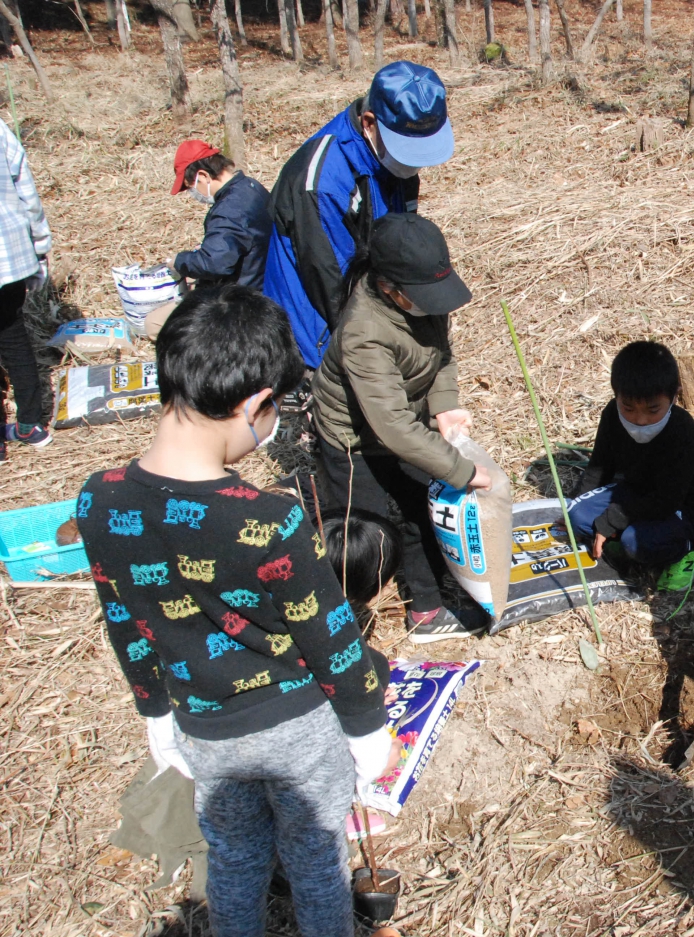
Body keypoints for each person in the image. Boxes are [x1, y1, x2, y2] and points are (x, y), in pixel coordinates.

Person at [75, 285, 397, 937]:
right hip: (297, 727)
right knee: (315, 862)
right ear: (255, 405)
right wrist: (366, 727)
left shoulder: (98, 501)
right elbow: (329, 634)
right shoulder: (268, 519)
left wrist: (155, 711)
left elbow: (122, 619)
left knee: (235, 856)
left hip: (205, 726)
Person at [312, 212, 486, 644]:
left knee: (418, 512)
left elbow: (441, 354)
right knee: (363, 537)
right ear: (389, 288)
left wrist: (444, 406)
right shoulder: (365, 331)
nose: (437, 304)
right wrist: (462, 469)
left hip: (402, 425)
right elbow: (390, 424)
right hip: (353, 442)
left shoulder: (423, 297)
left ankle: (425, 609)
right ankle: (338, 622)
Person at [264, 61, 455, 367]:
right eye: (406, 150)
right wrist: (379, 346)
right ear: (369, 122)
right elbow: (335, 288)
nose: (414, 165)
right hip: (320, 339)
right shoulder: (324, 184)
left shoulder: (390, 161)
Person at [567, 341, 694, 592]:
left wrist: (611, 520)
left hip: (681, 505)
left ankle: (686, 550)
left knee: (636, 543)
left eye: (653, 410)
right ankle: (621, 536)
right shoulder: (611, 416)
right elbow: (600, 466)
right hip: (634, 492)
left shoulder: (684, 434)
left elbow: (666, 499)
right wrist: (573, 503)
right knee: (577, 516)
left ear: (673, 396)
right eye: (628, 408)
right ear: (616, 395)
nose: (639, 419)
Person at [143, 141, 274, 341]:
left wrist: (179, 261)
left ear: (203, 176)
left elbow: (214, 263)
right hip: (260, 282)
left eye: (190, 188)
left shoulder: (229, 210)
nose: (193, 194)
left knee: (153, 323)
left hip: (237, 303)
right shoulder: (251, 187)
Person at [0, 117, 51, 458]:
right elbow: (27, 194)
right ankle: (30, 423)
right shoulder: (1, 130)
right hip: (7, 254)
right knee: (14, 337)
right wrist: (40, 245)